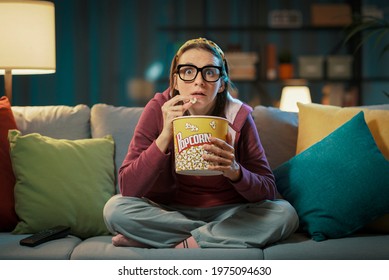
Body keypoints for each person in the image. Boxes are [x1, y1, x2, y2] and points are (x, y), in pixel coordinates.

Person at [103, 38, 298, 248]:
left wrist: (235, 171)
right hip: (169, 212)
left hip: (229, 211)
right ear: (175, 81)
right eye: (188, 71)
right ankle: (211, 237)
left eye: (210, 72)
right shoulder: (158, 110)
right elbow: (128, 186)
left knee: (285, 214)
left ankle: (168, 240)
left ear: (222, 84)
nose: (199, 81)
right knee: (114, 209)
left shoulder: (239, 116)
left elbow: (268, 190)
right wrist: (165, 135)